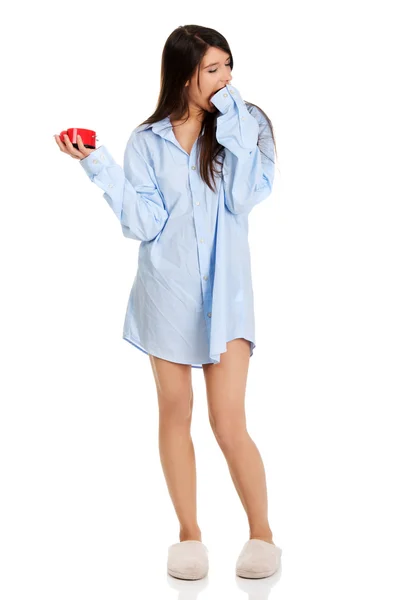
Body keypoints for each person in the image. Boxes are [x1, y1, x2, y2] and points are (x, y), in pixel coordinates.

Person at [54, 24, 282, 581]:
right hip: (166, 294)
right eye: (214, 69)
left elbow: (245, 196)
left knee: (229, 423)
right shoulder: (147, 140)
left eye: (229, 66)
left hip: (226, 300)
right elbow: (143, 222)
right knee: (174, 414)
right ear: (185, 75)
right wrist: (96, 162)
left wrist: (234, 128)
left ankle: (262, 535)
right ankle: (189, 536)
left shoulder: (248, 128)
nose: (226, 78)